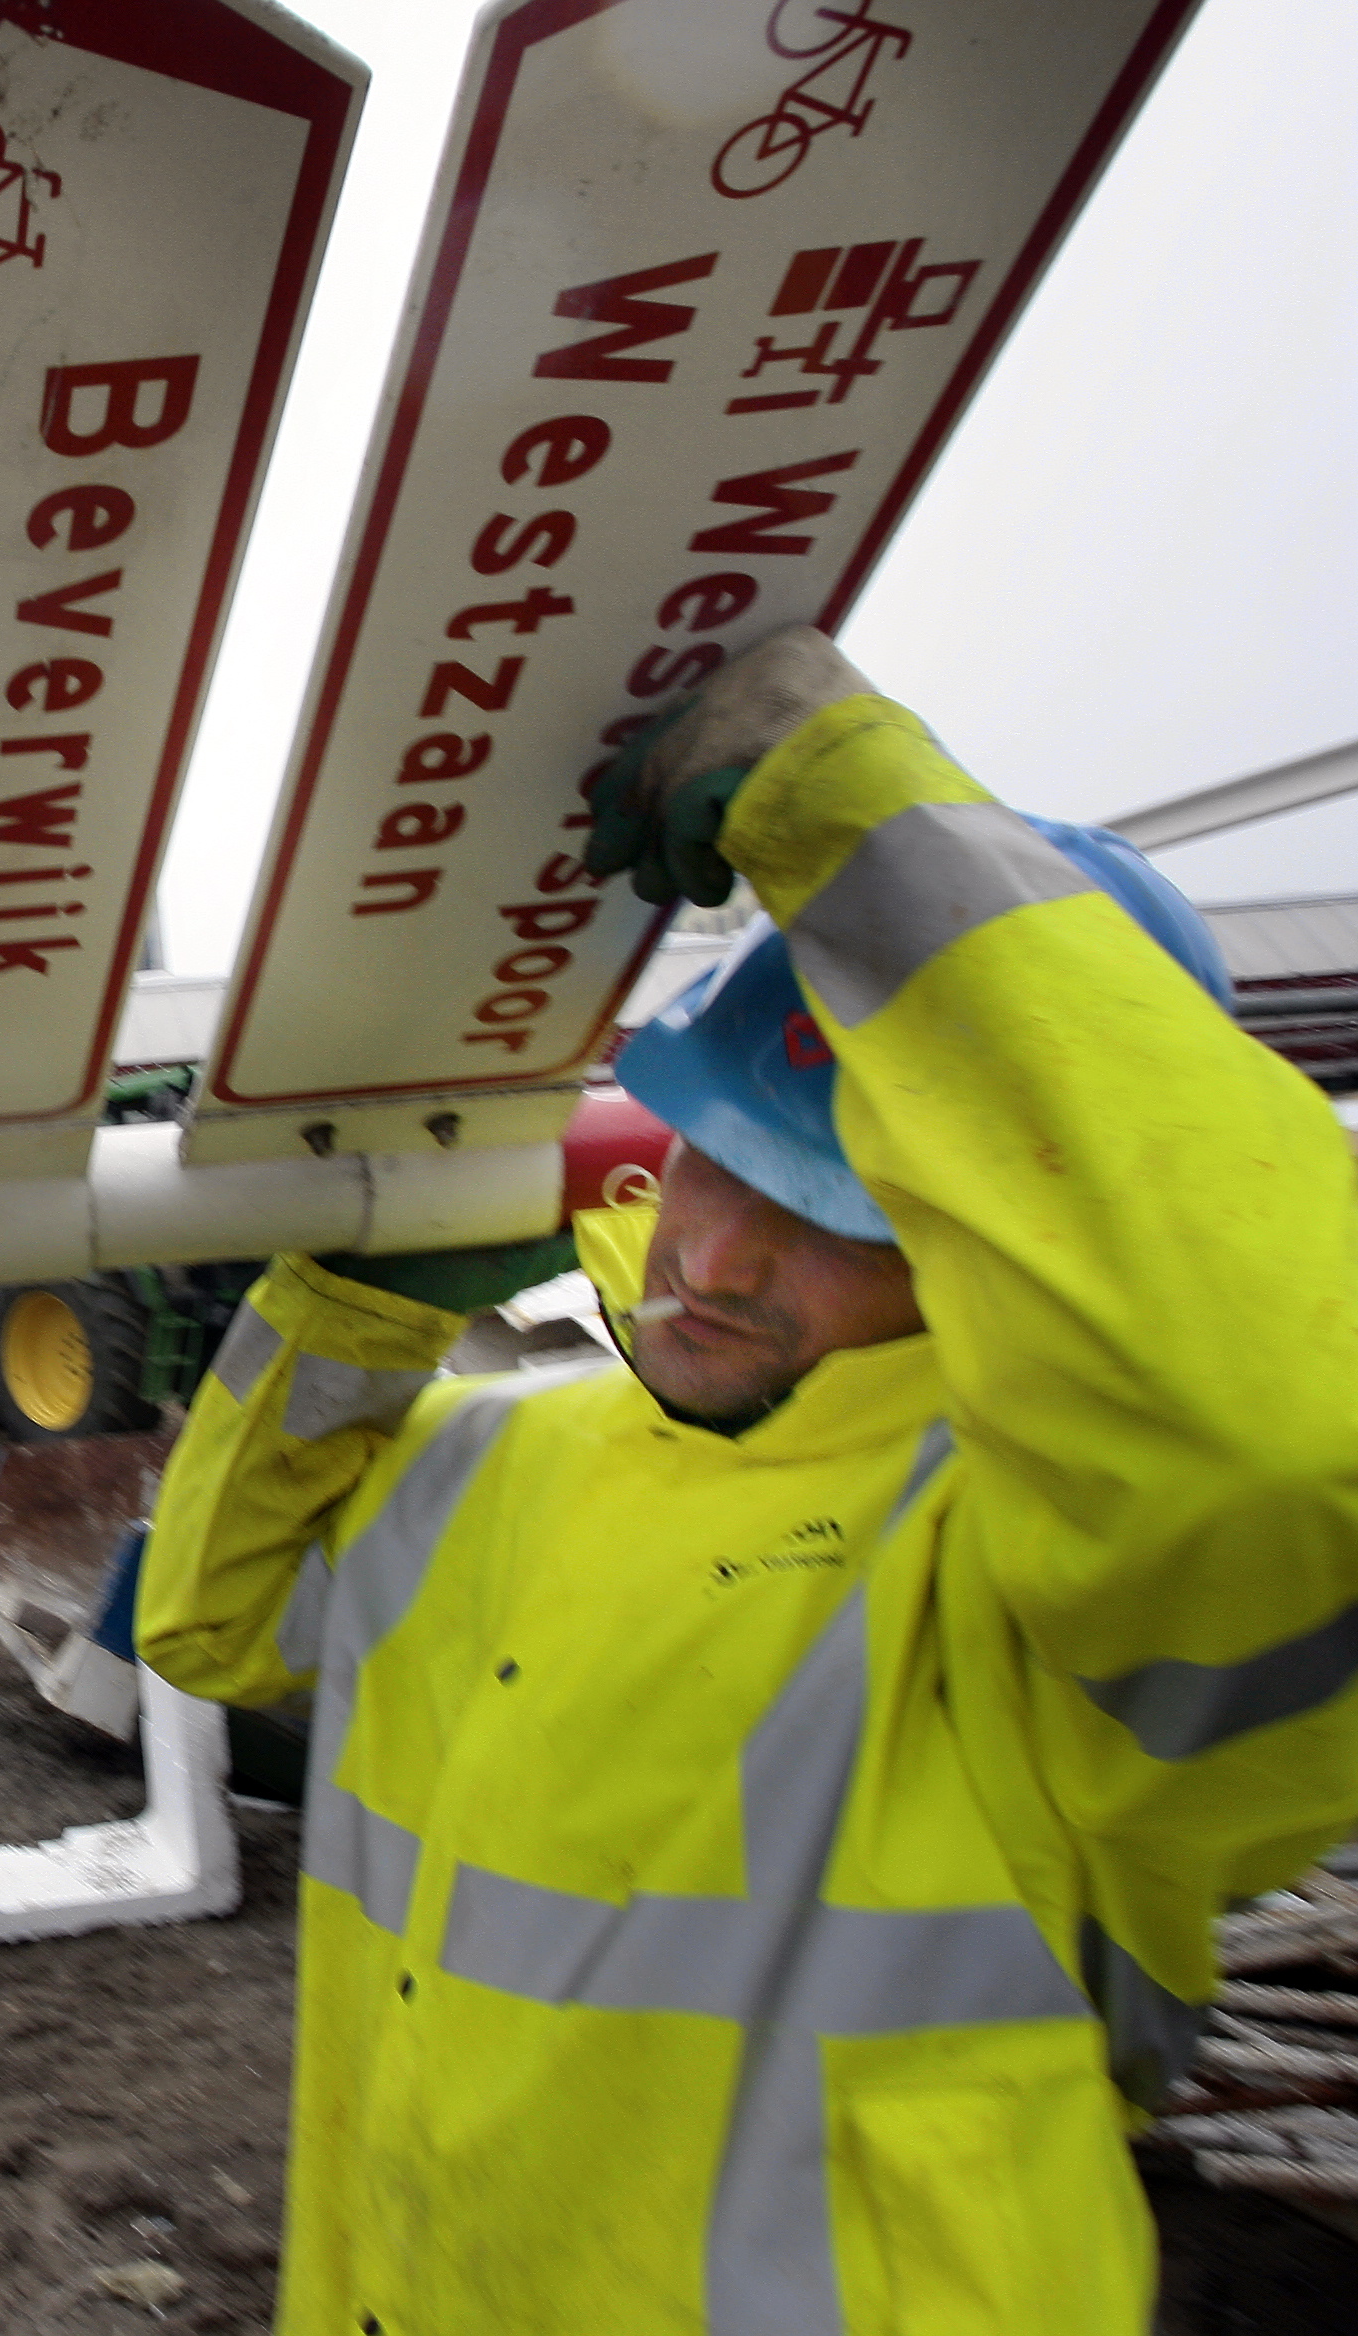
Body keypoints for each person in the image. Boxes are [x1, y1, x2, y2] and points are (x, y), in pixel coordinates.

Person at [136, 627, 1358, 2334]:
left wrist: (856, 820)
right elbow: (210, 1623)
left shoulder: (1041, 1594)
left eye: (839, 1214)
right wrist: (345, 1312)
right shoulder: (504, 1445)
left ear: (999, 1255)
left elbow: (1274, 1439)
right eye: (717, 1157)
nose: (709, 1257)